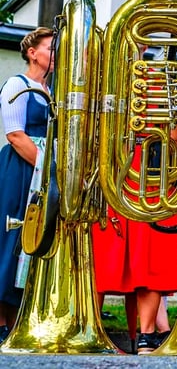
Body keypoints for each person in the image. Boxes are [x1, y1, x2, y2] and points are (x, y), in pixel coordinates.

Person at [91, 43, 177, 355]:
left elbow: (175, 133)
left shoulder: (164, 79)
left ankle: (146, 336)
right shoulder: (102, 78)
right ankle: (93, 331)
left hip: (154, 170)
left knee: (154, 253)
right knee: (105, 254)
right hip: (114, 167)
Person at [0, 27, 54, 343]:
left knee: (31, 242)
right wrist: (48, 169)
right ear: (32, 52)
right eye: (49, 47)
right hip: (20, 171)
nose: (54, 54)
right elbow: (15, 135)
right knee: (10, 240)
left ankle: (19, 320)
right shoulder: (15, 85)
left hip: (41, 171)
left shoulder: (52, 90)